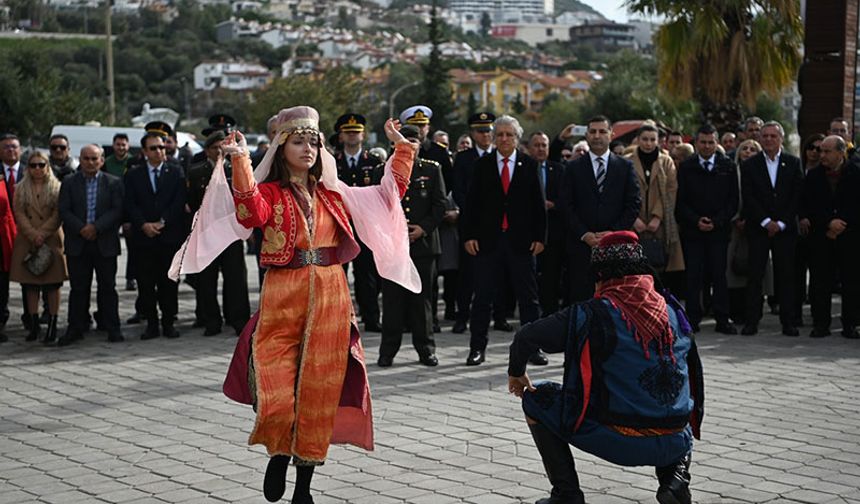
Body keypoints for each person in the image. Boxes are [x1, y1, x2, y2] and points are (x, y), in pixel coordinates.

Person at [221, 107, 417, 503]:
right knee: (276, 386)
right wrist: (241, 160)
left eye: (314, 141)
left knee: (319, 390)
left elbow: (387, 195)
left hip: (331, 294)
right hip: (282, 293)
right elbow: (249, 211)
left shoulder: (333, 192)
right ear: (281, 147)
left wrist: (403, 151)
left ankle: (304, 489)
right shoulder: (271, 193)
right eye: (298, 141)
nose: (308, 148)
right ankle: (279, 451)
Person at [508, 231, 703, 504]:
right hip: (675, 441)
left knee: (536, 397)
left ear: (599, 274)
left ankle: (567, 495)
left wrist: (516, 373)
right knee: (679, 403)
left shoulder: (591, 313)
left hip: (616, 438)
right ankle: (675, 480)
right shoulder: (673, 311)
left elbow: (525, 338)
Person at [463, 115, 546, 366]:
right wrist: (469, 235)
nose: (504, 139)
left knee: (528, 299)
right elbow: (471, 204)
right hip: (488, 242)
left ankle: (532, 349)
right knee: (483, 298)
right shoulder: (483, 165)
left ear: (517, 138)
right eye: (499, 134)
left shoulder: (529, 165)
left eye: (509, 134)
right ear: (493, 137)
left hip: (521, 243)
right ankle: (477, 348)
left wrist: (540, 238)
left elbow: (538, 205)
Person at [379, 125, 446, 367]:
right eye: (404, 140)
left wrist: (423, 228)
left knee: (422, 300)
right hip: (393, 247)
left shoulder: (431, 169)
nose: (410, 145)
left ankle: (426, 349)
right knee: (392, 301)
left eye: (413, 141)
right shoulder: (383, 171)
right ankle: (388, 351)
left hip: (423, 245)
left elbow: (440, 205)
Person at [561, 115, 641, 302]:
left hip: (615, 247)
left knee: (615, 299)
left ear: (611, 134)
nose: (597, 136)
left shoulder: (625, 166)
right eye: (593, 132)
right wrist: (584, 234)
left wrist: (612, 233)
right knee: (581, 298)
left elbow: (634, 204)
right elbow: (565, 205)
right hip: (581, 246)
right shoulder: (572, 168)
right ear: (587, 135)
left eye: (602, 131)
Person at [739, 121, 804, 336]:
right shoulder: (750, 165)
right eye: (764, 136)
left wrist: (782, 223)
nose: (768, 139)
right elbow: (749, 197)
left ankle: (789, 321)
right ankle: (752, 321)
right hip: (759, 228)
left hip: (785, 229)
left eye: (772, 136)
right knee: (755, 276)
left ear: (781, 139)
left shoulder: (793, 163)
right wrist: (766, 221)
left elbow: (796, 196)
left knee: (786, 276)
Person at [57, 144, 124, 345]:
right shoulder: (69, 182)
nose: (90, 162)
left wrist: (96, 227)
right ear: (80, 160)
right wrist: (82, 228)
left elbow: (117, 210)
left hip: (104, 242)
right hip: (78, 242)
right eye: (86, 158)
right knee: (78, 288)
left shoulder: (114, 183)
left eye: (95, 159)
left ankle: (112, 327)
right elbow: (64, 210)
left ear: (102, 161)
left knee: (108, 288)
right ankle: (76, 327)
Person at [676, 125, 739, 334]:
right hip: (693, 232)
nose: (706, 146)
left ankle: (722, 318)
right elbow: (680, 202)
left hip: (719, 233)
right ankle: (692, 319)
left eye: (711, 142)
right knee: (694, 277)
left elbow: (733, 201)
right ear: (696, 143)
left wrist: (717, 221)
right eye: (703, 142)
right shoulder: (686, 167)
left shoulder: (727, 166)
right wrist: (696, 220)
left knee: (719, 276)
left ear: (716, 143)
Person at [186, 131, 250, 336]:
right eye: (215, 147)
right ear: (207, 151)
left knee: (236, 279)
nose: (219, 151)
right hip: (207, 234)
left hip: (230, 234)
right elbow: (192, 202)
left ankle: (239, 319)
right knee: (207, 279)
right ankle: (211, 320)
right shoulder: (196, 172)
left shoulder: (235, 169)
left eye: (222, 146)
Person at [125, 131, 186, 340]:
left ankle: (168, 322)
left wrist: (162, 222)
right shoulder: (133, 174)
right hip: (144, 239)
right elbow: (130, 204)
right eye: (154, 148)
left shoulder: (176, 172)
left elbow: (178, 203)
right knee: (146, 283)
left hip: (168, 237)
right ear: (144, 152)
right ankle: (151, 324)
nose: (159, 151)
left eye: (162, 147)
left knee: (169, 283)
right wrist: (143, 224)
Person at [803, 135, 860, 338]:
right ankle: (821, 324)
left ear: (841, 152)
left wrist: (842, 224)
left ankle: (850, 324)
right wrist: (828, 223)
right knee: (820, 282)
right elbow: (809, 206)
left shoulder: (856, 173)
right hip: (822, 236)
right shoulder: (813, 176)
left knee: (851, 282)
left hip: (850, 237)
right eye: (821, 151)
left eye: (827, 151)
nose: (822, 155)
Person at [333, 113, 383, 333]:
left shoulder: (373, 162)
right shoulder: (332, 163)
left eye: (356, 132)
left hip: (364, 227)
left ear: (363, 135)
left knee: (367, 276)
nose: (352, 136)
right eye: (348, 132)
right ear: (341, 136)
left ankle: (371, 318)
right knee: (336, 276)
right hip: (338, 227)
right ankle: (337, 318)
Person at [10, 150, 67, 344]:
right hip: (28, 240)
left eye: (41, 165)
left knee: (53, 285)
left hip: (51, 239)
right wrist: (33, 234)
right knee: (30, 285)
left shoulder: (57, 187)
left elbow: (58, 214)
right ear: (27, 168)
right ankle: (33, 325)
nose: (37, 169)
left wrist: (43, 232)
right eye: (33, 165)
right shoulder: (20, 188)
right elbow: (19, 214)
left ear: (47, 167)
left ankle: (52, 324)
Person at [625, 124, 684, 292]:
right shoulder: (627, 160)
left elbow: (671, 190)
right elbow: (622, 191)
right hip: (634, 222)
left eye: (652, 140)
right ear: (638, 140)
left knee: (660, 268)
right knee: (635, 269)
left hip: (661, 223)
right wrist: (635, 218)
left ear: (659, 141)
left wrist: (657, 217)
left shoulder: (666, 161)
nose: (648, 143)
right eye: (645, 139)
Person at [725, 139, 773, 325]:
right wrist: (736, 218)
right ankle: (735, 311)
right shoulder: (731, 171)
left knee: (756, 271)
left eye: (753, 149)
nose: (748, 151)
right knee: (733, 269)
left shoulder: (764, 171)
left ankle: (753, 311)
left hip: (758, 225)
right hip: (734, 226)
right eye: (744, 148)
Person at [527, 131, 566, 315]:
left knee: (551, 276)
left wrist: (555, 204)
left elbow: (568, 198)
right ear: (529, 148)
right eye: (537, 145)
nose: (541, 149)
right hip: (529, 232)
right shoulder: (523, 168)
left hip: (554, 233)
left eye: (544, 145)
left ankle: (550, 313)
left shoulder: (558, 169)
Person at [794, 134, 824, 327]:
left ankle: (817, 313)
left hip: (819, 230)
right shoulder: (796, 168)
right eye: (811, 147)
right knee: (796, 275)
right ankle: (795, 314)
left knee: (818, 275)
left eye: (819, 149)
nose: (815, 152)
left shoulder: (825, 173)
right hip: (796, 229)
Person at [0, 133, 21, 339]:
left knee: (32, 278)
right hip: (3, 237)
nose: (11, 150)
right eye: (6, 147)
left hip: (27, 234)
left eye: (14, 147)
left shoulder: (34, 169)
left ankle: (32, 318)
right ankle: (1, 319)